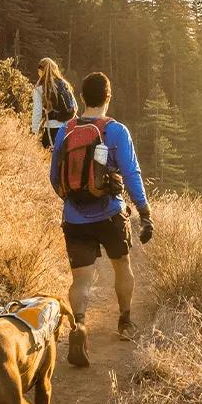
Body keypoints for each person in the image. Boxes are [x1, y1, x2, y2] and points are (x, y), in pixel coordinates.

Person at [49, 72, 153, 342]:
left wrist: (74, 198)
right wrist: (144, 212)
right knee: (122, 265)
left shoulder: (65, 130)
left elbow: (53, 176)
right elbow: (131, 174)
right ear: (109, 97)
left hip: (74, 217)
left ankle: (80, 325)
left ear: (81, 97)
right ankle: (125, 322)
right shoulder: (116, 130)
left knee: (81, 280)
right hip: (110, 215)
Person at [31, 58, 77, 148]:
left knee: (51, 160)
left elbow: (37, 112)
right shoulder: (64, 84)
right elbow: (75, 106)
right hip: (69, 129)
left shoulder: (40, 88)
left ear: (40, 70)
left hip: (52, 130)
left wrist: (34, 132)